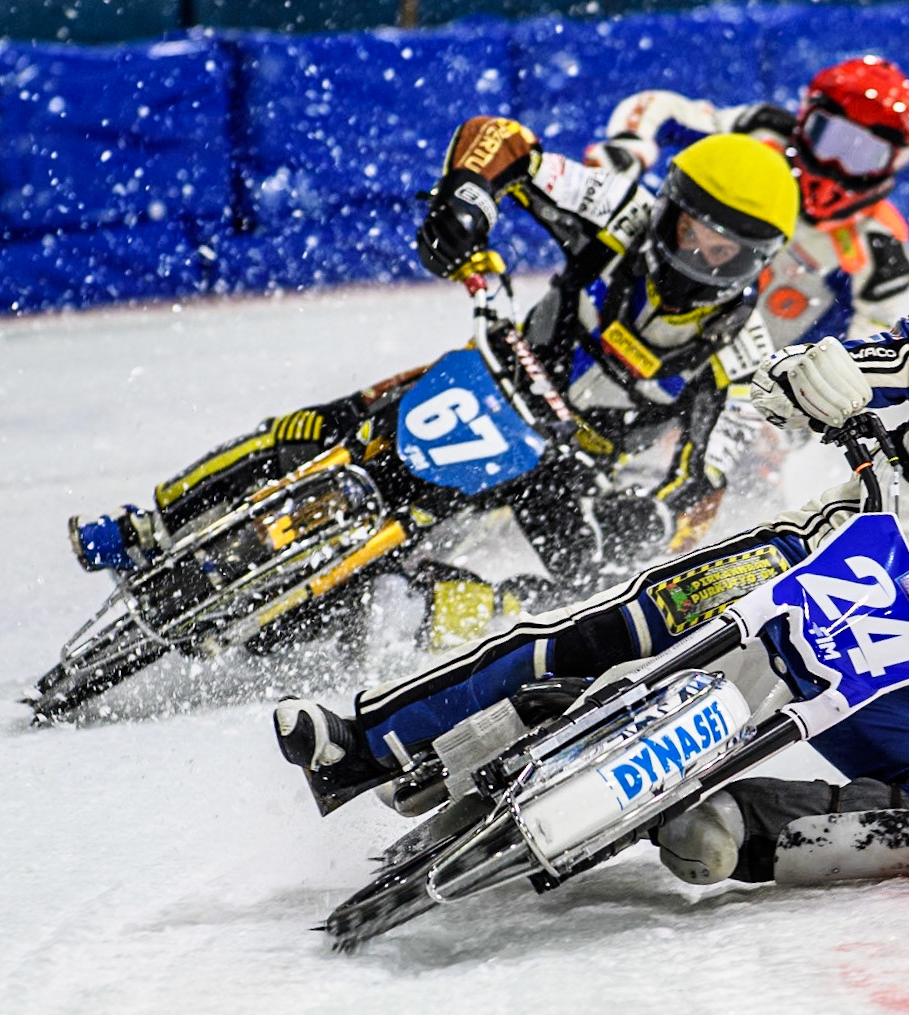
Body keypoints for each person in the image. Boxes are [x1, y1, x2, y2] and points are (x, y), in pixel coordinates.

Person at [274, 231, 909, 888]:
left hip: (888, 667)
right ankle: (361, 746)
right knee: (606, 628)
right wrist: (812, 380)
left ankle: (734, 827)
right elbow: (812, 378)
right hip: (797, 564)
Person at [68, 127, 799, 636]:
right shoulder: (619, 211)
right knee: (320, 429)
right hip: (496, 373)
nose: (698, 255)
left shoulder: (739, 361)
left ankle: (428, 615)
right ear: (666, 209)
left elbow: (704, 479)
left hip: (569, 467)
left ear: (756, 262)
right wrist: (468, 199)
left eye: (725, 251)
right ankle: (149, 526)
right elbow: (503, 141)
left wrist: (659, 519)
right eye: (689, 230)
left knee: (598, 591)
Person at [587, 55, 909, 348]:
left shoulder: (882, 250)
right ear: (805, 118)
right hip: (637, 311)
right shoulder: (760, 133)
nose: (836, 167)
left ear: (892, 165)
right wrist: (630, 147)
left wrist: (801, 408)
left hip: (748, 396)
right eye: (830, 138)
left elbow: (866, 357)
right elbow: (662, 108)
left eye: (864, 154)